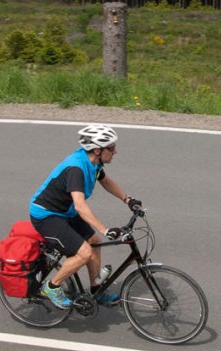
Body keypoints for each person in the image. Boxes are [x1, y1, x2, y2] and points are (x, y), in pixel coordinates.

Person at [29, 124, 142, 309]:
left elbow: (105, 181)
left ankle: (96, 290)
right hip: (47, 215)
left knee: (94, 242)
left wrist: (128, 200)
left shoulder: (94, 163)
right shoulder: (76, 169)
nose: (116, 152)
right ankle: (52, 287)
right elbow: (80, 205)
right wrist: (106, 229)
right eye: (111, 148)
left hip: (65, 212)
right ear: (97, 150)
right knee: (85, 252)